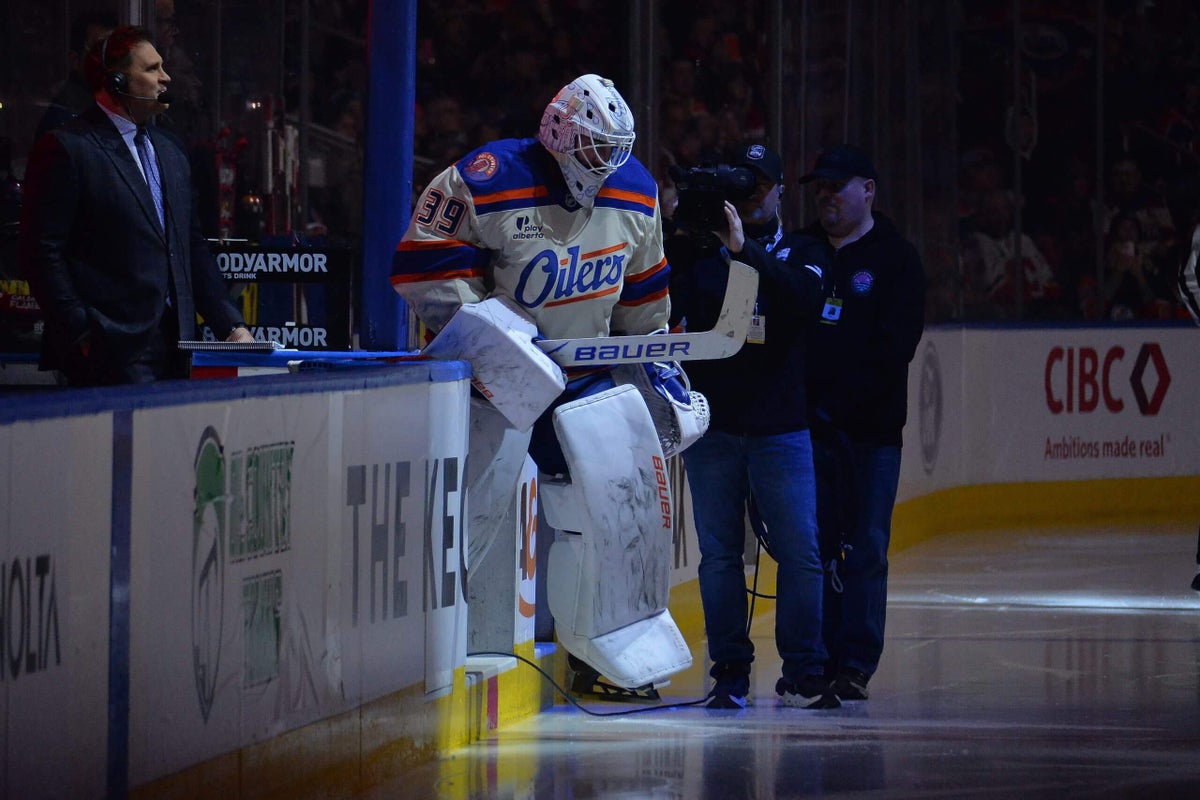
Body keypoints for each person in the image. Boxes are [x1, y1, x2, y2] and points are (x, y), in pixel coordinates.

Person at [392, 74, 698, 698]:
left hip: (585, 376)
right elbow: (421, 266)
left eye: (613, 148)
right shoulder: (483, 175)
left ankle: (594, 658)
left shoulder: (635, 188)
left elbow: (644, 297)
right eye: (590, 147)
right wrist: (488, 335)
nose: (604, 162)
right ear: (557, 132)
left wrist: (653, 366)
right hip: (491, 381)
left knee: (607, 520)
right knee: (469, 520)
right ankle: (431, 658)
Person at [667, 143, 839, 710]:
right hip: (714, 424)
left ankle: (805, 670)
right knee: (718, 554)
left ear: (780, 190)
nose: (751, 196)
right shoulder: (698, 252)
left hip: (780, 425)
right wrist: (684, 232)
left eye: (760, 185)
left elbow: (804, 298)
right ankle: (731, 673)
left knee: (800, 551)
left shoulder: (805, 248)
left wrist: (744, 251)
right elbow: (670, 308)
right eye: (742, 187)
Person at [20, 25, 252, 387]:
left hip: (176, 346)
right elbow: (41, 251)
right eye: (152, 68)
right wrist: (80, 328)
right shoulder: (67, 148)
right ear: (115, 82)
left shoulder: (171, 151)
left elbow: (189, 247)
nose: (165, 77)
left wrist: (231, 326)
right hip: (107, 347)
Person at [799, 144, 926, 701]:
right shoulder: (800, 251)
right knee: (814, 546)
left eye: (838, 184)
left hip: (871, 435)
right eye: (820, 185)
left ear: (868, 189)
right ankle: (815, 657)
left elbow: (895, 346)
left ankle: (855, 662)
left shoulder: (896, 258)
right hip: (806, 434)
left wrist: (843, 403)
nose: (827, 194)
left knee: (867, 546)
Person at [33, 11, 119, 142]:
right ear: (75, 60)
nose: (111, 59)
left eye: (116, 50)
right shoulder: (62, 122)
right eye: (100, 51)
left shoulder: (118, 107)